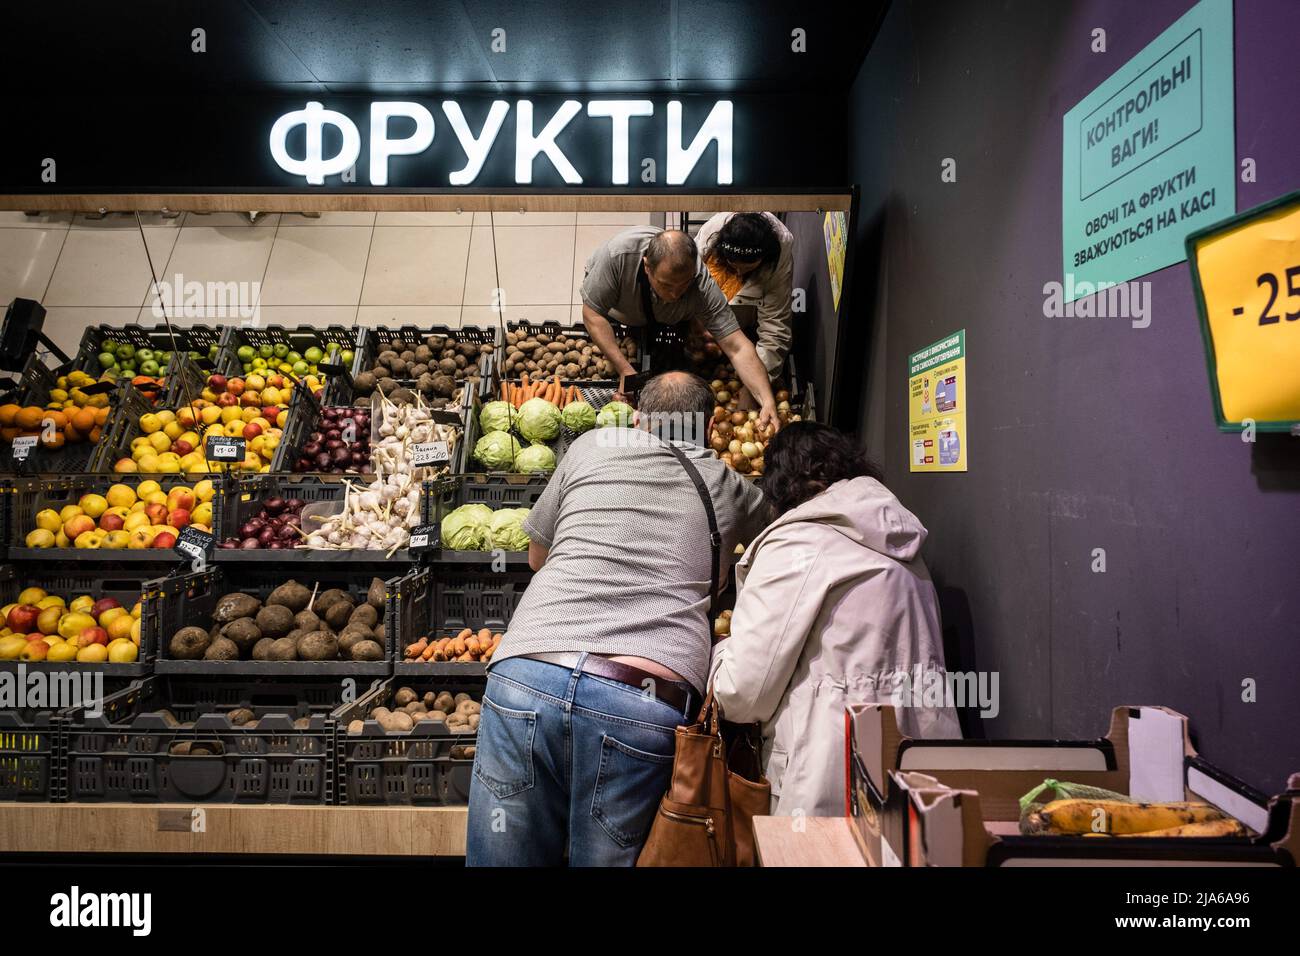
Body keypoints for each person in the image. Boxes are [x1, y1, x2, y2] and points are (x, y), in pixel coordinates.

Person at [466, 372, 770, 867]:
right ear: (711, 426)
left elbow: (537, 558)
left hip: (528, 673)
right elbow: (780, 543)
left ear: (636, 419)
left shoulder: (589, 447)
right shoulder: (731, 486)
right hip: (642, 697)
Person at [709, 422, 961, 818]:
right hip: (920, 771)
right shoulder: (902, 543)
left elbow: (743, 692)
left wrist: (719, 654)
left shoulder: (799, 543)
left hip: (830, 774)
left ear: (780, 483)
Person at [578, 226, 779, 431]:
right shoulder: (618, 257)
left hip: (665, 318)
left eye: (683, 285)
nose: (675, 294)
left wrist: (766, 400)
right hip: (621, 306)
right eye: (666, 285)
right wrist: (624, 368)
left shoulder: (701, 283)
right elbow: (592, 313)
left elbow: (737, 346)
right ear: (647, 266)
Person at [696, 212, 795, 382]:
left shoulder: (777, 263)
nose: (740, 272)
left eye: (748, 267)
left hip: (741, 332)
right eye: (733, 266)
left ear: (764, 259)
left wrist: (756, 384)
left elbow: (774, 329)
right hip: (702, 333)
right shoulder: (706, 244)